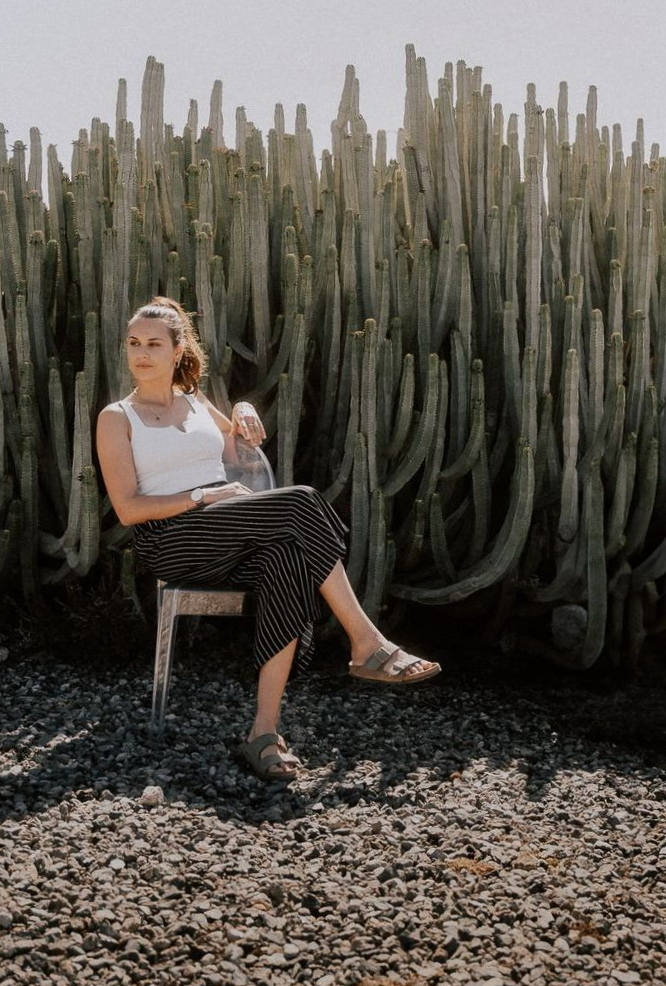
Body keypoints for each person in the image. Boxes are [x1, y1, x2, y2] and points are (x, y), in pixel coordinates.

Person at [95, 297, 441, 782]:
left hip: (229, 531)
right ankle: (366, 643)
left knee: (288, 559)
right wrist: (202, 495)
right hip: (172, 538)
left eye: (154, 343)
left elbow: (239, 449)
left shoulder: (194, 402)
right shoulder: (117, 417)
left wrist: (242, 408)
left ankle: (263, 733)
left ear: (178, 351)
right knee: (300, 501)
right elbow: (129, 508)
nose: (142, 353)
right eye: (134, 343)